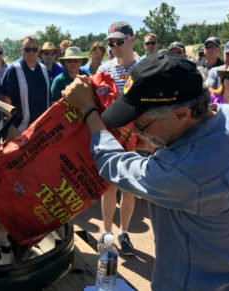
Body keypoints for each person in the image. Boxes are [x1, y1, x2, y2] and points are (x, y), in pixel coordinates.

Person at [62, 52, 229, 290]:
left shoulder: (184, 175)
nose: (136, 133)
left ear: (181, 113)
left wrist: (88, 109)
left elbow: (111, 162)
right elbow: (200, 144)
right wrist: (155, 141)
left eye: (142, 125)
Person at [96, 21, 139, 256]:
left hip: (134, 136)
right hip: (111, 135)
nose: (114, 47)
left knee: (129, 188)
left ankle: (124, 232)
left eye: (119, 42)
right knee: (108, 188)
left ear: (131, 39)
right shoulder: (104, 68)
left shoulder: (144, 67)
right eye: (111, 43)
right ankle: (107, 233)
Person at [1, 36, 50, 133]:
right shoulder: (13, 69)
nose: (31, 53)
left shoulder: (43, 69)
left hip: (42, 126)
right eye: (27, 49)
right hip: (21, 129)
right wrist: (13, 128)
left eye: (34, 49)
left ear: (38, 51)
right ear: (21, 50)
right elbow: (5, 98)